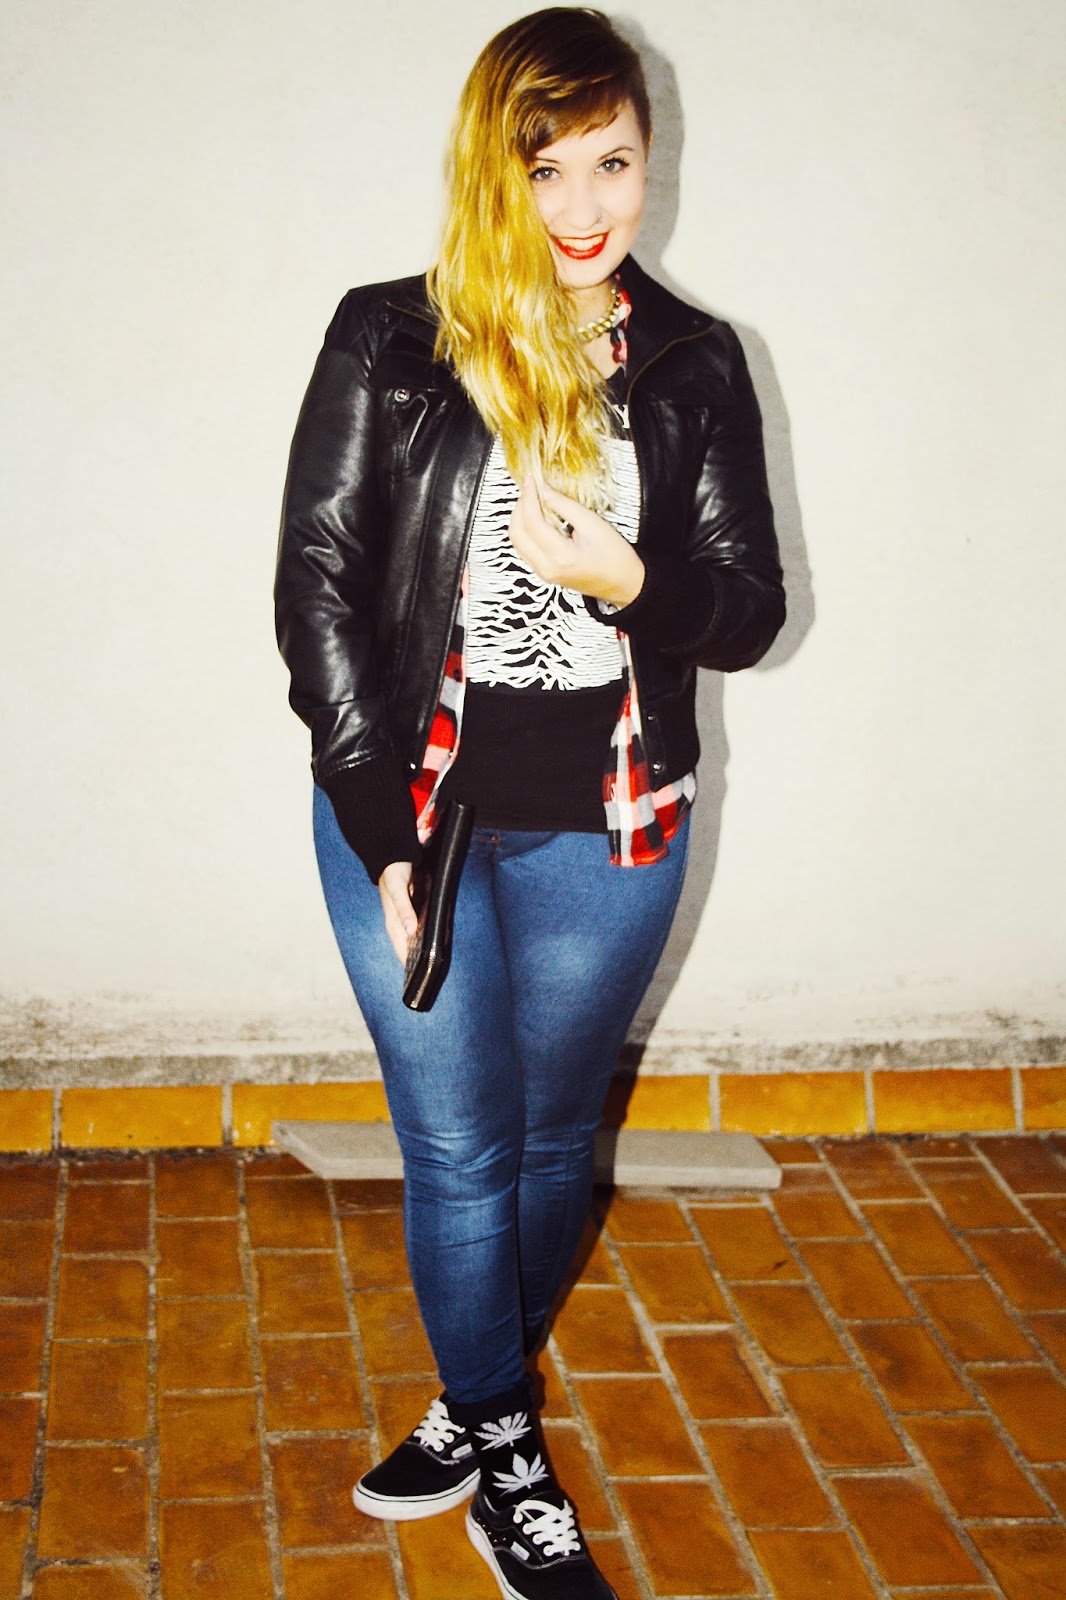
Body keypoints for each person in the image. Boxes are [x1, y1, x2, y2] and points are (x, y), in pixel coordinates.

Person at [275, 8, 784, 1596]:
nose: (581, 205)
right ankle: (509, 1450)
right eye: (544, 168)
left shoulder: (694, 362)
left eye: (612, 163)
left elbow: (746, 612)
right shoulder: (389, 337)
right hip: (411, 813)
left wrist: (626, 577)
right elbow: (318, 586)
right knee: (457, 1149)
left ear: (650, 162)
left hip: (611, 820)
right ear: (489, 171)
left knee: (558, 1138)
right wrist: (378, 831)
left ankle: (468, 1398)